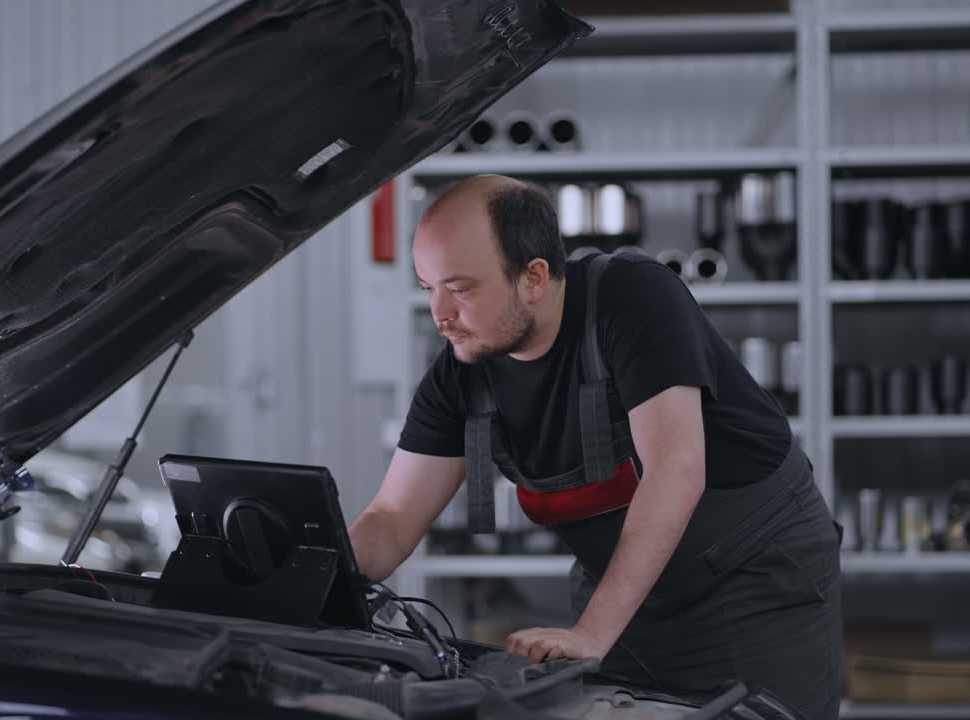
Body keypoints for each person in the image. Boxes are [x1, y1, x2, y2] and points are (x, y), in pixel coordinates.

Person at [347, 174, 842, 720]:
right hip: (624, 593)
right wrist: (308, 570)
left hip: (751, 581)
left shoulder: (632, 297)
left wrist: (592, 632)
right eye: (428, 288)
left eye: (460, 290)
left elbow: (676, 471)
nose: (440, 315)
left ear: (533, 277)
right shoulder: (462, 371)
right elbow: (392, 519)